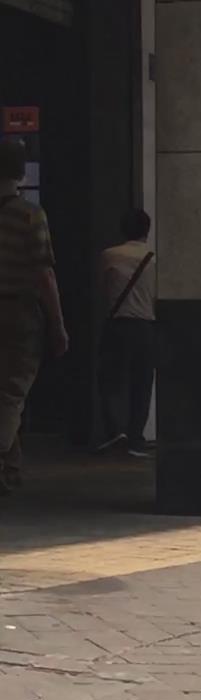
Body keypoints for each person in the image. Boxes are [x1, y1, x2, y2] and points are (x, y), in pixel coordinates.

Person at [0, 138, 68, 493]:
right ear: (21, 173)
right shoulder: (30, 215)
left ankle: (10, 471)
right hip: (19, 311)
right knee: (12, 394)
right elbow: (45, 274)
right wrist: (58, 325)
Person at [97, 208, 155, 457]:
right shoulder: (154, 259)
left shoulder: (109, 255)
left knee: (111, 380)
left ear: (122, 229)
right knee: (142, 384)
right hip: (146, 326)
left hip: (117, 324)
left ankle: (116, 430)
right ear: (147, 230)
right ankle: (135, 439)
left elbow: (103, 289)